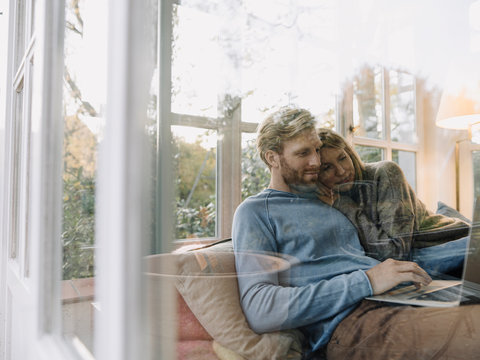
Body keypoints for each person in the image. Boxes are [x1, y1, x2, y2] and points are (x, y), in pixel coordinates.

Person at [232, 107, 480, 359]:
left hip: (405, 296)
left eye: (316, 149)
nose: (316, 162)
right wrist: (368, 281)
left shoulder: (330, 197)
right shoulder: (255, 212)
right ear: (272, 158)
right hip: (351, 320)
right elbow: (260, 309)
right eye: (303, 153)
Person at [316, 128, 470, 275]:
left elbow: (396, 254)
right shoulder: (323, 199)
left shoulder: (385, 173)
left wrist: (345, 206)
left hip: (452, 240)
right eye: (327, 168)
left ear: (349, 153)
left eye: (342, 158)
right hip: (417, 255)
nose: (341, 171)